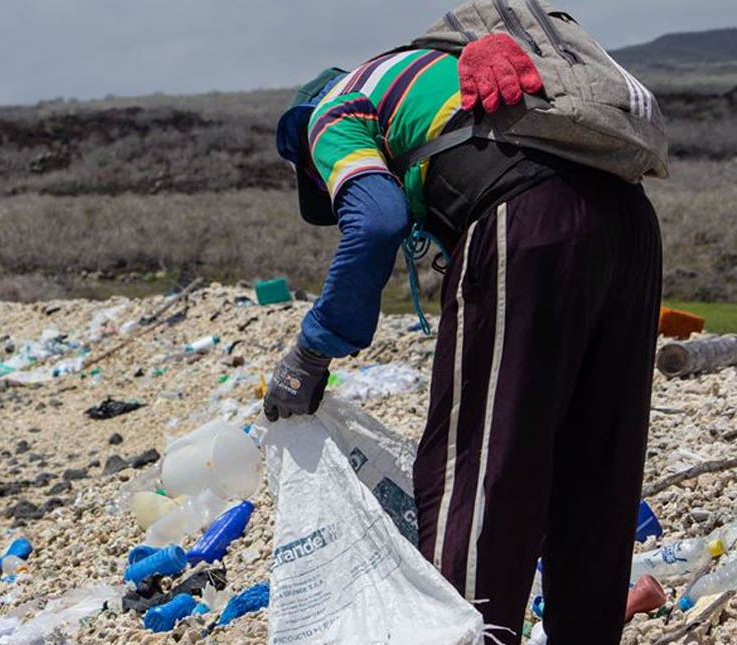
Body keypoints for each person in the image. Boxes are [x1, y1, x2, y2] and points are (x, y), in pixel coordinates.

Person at [264, 33, 662, 644]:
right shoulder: (436, 78)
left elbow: (375, 221)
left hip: (529, 215)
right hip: (630, 224)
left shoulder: (330, 112)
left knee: (481, 465)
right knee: (596, 461)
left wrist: (311, 352)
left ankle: (470, 634)